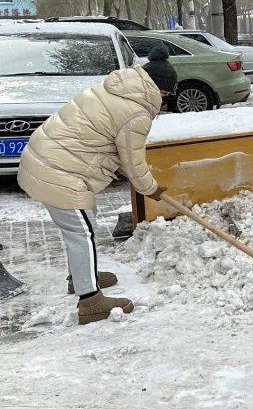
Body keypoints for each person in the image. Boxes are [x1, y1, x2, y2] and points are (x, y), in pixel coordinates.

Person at [17, 47, 176, 324]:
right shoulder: (136, 111)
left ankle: (79, 277)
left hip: (49, 159)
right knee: (83, 232)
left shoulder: (117, 90)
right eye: (166, 95)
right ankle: (90, 299)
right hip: (58, 170)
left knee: (81, 225)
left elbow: (104, 140)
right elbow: (133, 161)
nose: (164, 101)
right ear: (159, 90)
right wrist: (151, 189)